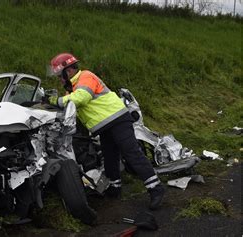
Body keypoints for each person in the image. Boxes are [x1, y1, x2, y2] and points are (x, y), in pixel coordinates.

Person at [45, 52, 165, 210]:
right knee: (110, 157)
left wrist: (55, 101)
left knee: (132, 153)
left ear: (68, 71)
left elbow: (81, 98)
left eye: (60, 76)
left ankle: (156, 189)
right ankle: (114, 189)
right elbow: (72, 104)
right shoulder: (71, 88)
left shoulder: (85, 77)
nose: (59, 80)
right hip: (105, 126)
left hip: (118, 120)